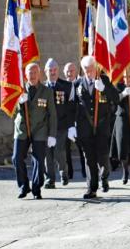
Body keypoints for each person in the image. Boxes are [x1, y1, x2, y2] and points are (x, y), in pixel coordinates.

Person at [74, 56, 119, 199]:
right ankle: (91, 188)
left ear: (96, 68)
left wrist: (105, 89)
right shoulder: (77, 84)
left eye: (91, 68)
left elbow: (116, 98)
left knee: (103, 156)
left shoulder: (104, 80)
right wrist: (71, 126)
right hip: (84, 127)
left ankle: (104, 176)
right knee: (89, 159)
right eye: (86, 69)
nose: (88, 71)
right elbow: (73, 106)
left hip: (101, 126)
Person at [12, 63, 57, 199]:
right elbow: (11, 112)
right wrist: (19, 103)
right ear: (25, 75)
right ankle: (24, 186)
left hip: (40, 129)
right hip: (22, 129)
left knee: (38, 160)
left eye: (35, 73)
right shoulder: (19, 90)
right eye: (29, 73)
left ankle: (37, 188)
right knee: (16, 158)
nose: (32, 76)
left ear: (39, 74)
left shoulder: (47, 91)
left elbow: (52, 114)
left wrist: (52, 135)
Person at [44, 58, 76, 188]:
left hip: (61, 126)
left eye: (55, 70)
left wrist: (71, 126)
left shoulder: (67, 86)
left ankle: (63, 173)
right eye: (50, 70)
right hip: (46, 127)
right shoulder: (42, 88)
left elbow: (72, 108)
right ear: (45, 72)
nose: (52, 72)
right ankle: (49, 179)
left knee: (59, 151)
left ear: (58, 71)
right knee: (47, 153)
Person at [63, 62, 86, 179]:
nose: (69, 73)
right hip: (66, 123)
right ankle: (69, 173)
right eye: (67, 71)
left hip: (80, 122)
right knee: (66, 149)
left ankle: (85, 172)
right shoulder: (62, 85)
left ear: (76, 71)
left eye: (71, 71)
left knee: (83, 149)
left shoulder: (82, 83)